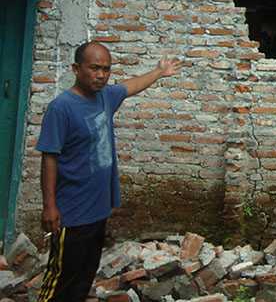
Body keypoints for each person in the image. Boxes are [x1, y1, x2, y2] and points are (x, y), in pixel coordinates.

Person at [35, 41, 182, 302]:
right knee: (61, 279)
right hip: (71, 211)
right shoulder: (62, 107)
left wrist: (159, 71)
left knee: (84, 276)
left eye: (106, 69)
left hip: (98, 208)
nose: (101, 75)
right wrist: (49, 206)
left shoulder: (105, 97)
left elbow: (131, 87)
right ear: (76, 69)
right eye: (94, 68)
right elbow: (49, 157)